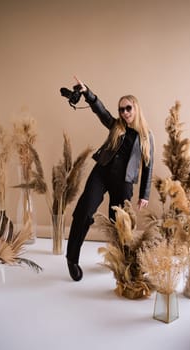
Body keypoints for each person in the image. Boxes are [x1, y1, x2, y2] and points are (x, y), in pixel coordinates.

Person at [66, 76, 154, 281]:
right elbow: (101, 110)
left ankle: (120, 262)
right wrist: (88, 93)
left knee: (120, 226)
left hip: (123, 183)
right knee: (83, 211)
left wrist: (145, 194)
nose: (124, 113)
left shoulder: (146, 136)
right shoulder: (116, 126)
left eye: (128, 108)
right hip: (102, 173)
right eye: (121, 109)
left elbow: (149, 166)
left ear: (136, 109)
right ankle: (71, 258)